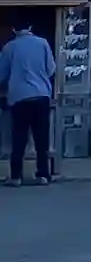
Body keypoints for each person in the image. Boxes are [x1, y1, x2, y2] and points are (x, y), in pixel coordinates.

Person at [0, 18, 56, 186]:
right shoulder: (43, 43)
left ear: (13, 29)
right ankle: (43, 174)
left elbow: (2, 74)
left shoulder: (9, 47)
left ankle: (16, 176)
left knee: (19, 138)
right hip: (41, 95)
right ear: (31, 27)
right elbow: (51, 69)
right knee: (41, 138)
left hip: (19, 97)